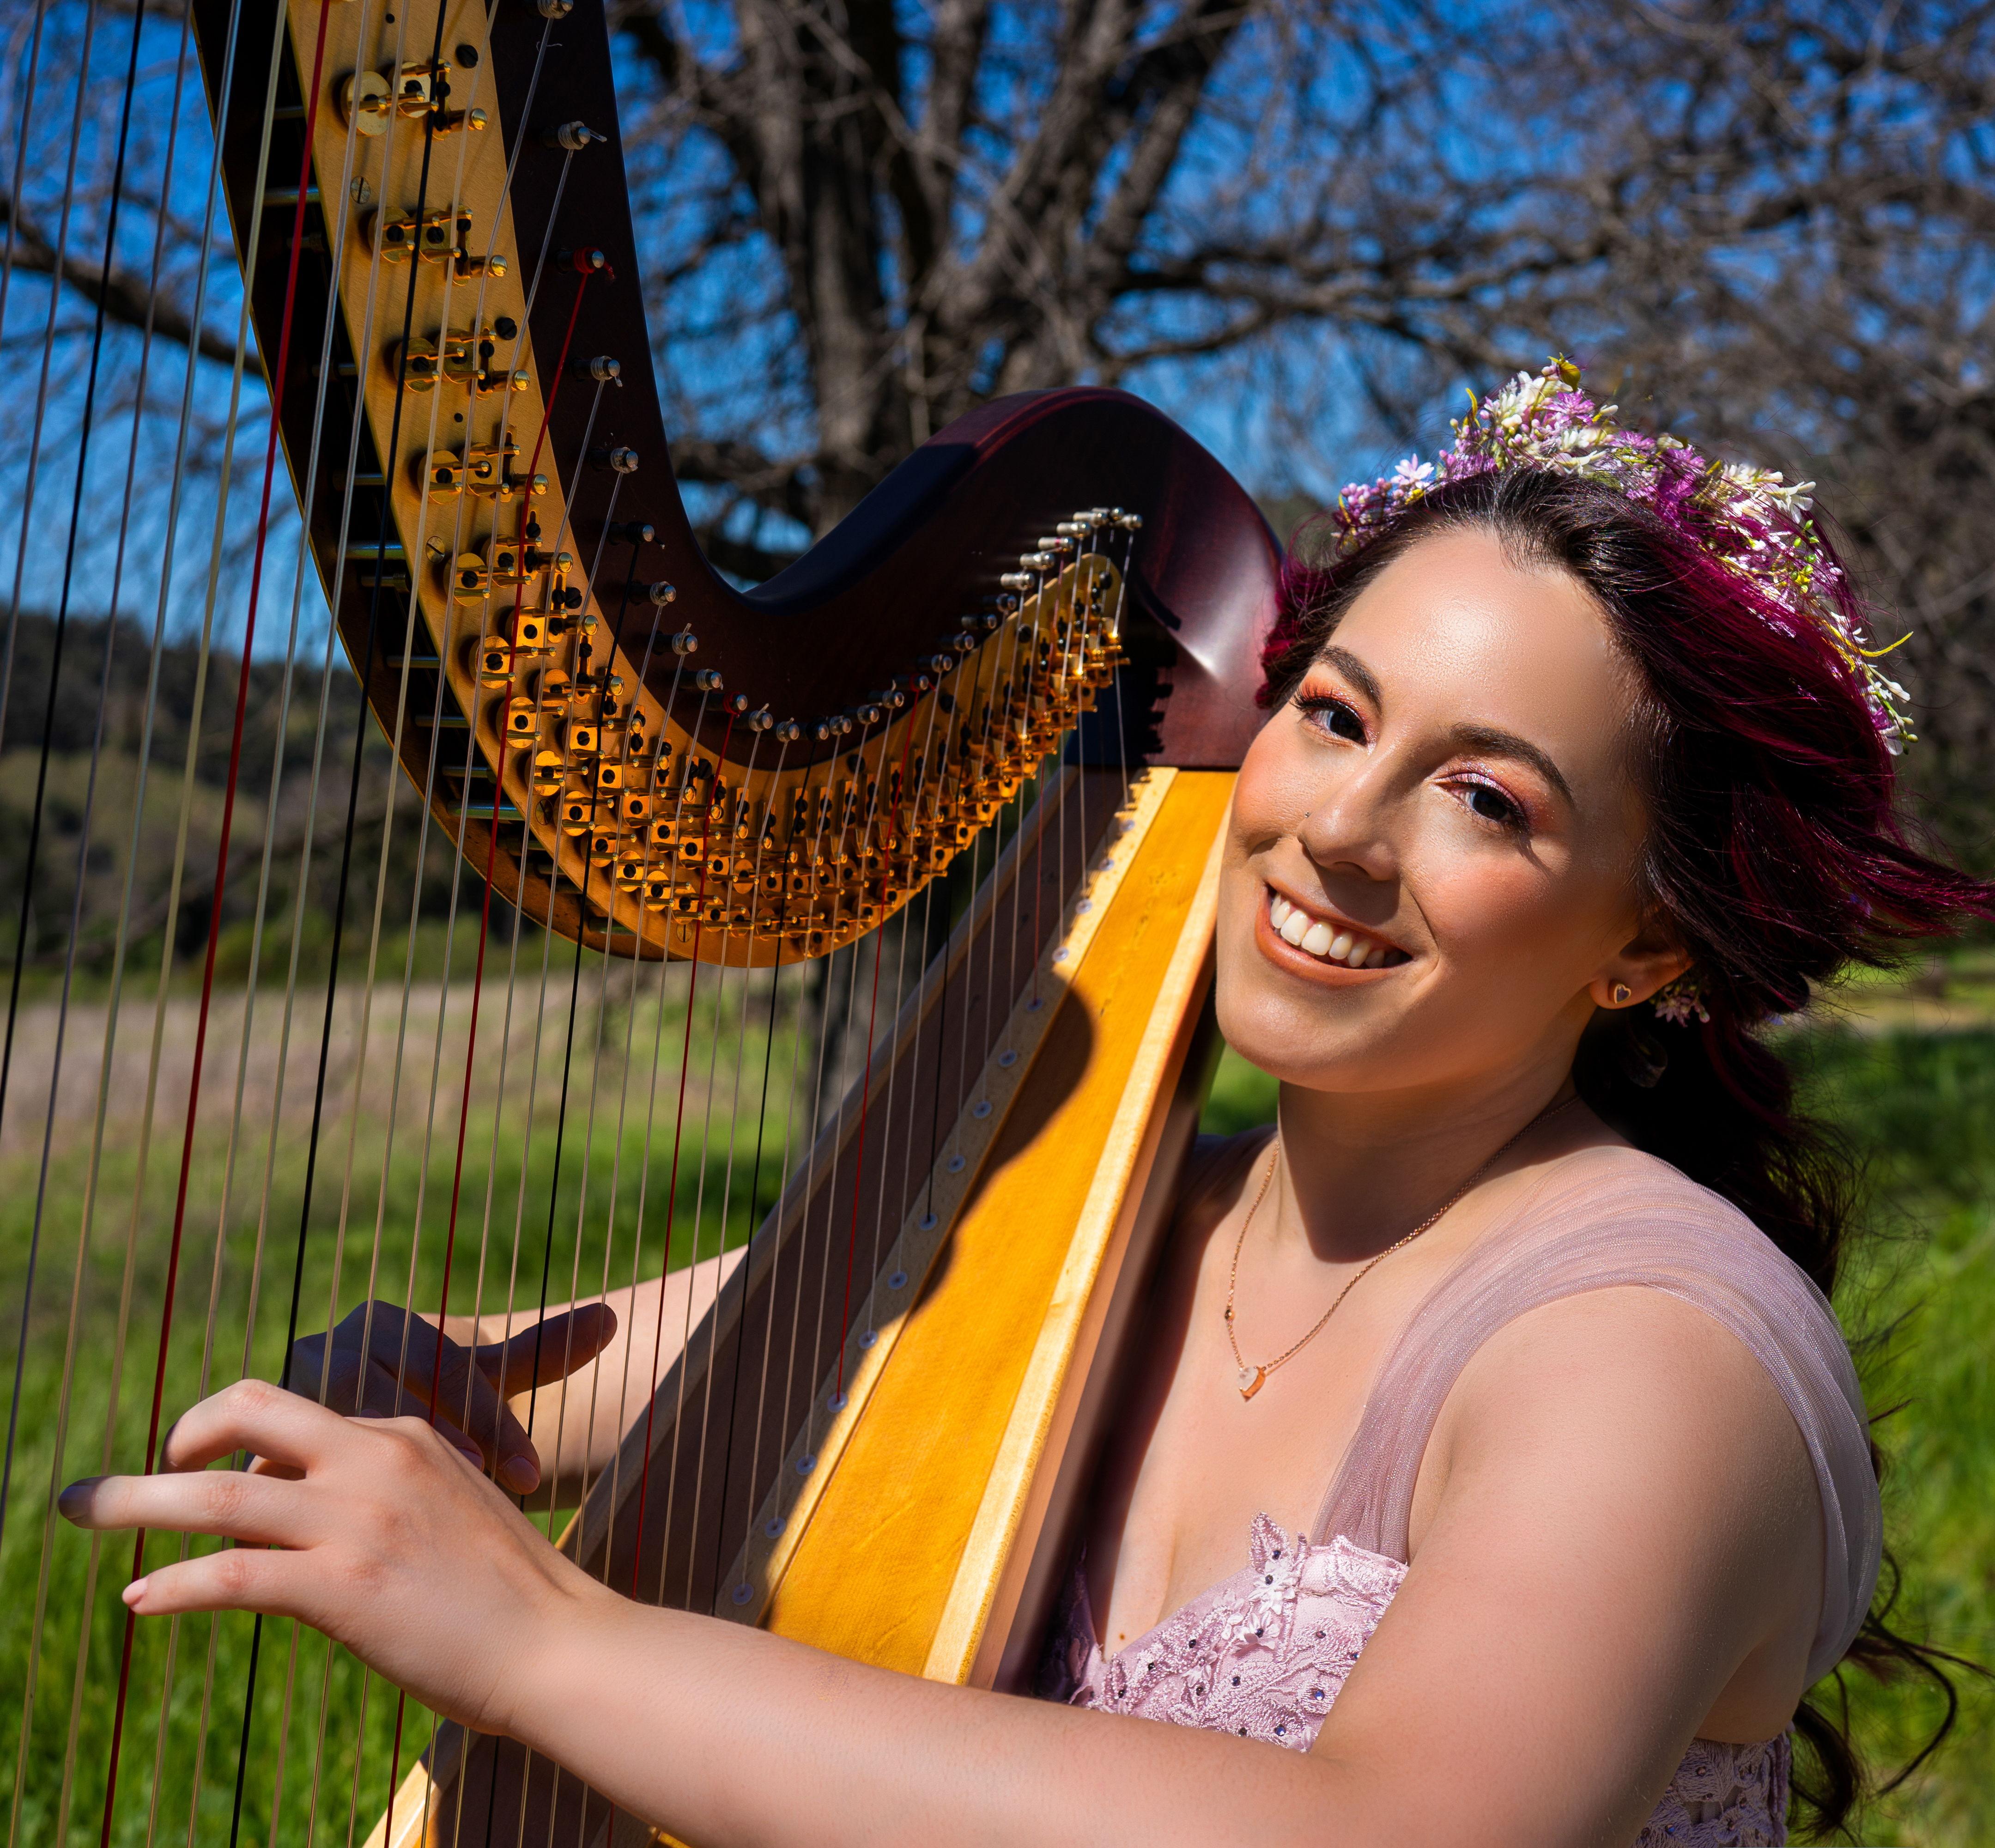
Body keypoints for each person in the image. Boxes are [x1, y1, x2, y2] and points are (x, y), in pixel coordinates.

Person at [61, 360, 1989, 1846]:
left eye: (1488, 798)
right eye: (1334, 715)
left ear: (1647, 945)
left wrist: (548, 1645)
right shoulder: (1150, 1216)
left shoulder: (1656, 1351)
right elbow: (591, 1382)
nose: (1340, 828)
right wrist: (430, 1393)